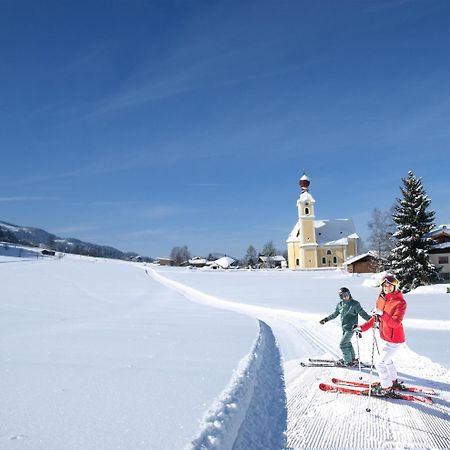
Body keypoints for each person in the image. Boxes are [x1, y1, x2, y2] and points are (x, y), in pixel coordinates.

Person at [354, 274, 406, 396]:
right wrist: (362, 328)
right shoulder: (381, 299)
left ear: (394, 286)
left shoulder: (400, 302)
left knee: (379, 363)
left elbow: (395, 323)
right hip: (386, 337)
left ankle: (386, 387)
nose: (387, 288)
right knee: (387, 361)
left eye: (390, 285)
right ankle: (393, 381)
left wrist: (382, 313)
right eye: (385, 285)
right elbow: (375, 318)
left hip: (395, 339)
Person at [319, 287, 371, 366]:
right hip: (344, 327)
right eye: (342, 295)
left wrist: (371, 320)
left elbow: (363, 313)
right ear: (340, 296)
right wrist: (326, 319)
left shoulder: (355, 304)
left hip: (352, 328)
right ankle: (352, 359)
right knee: (347, 343)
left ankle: (348, 362)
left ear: (349, 294)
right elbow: (335, 314)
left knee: (342, 344)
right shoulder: (340, 305)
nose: (345, 296)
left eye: (346, 294)